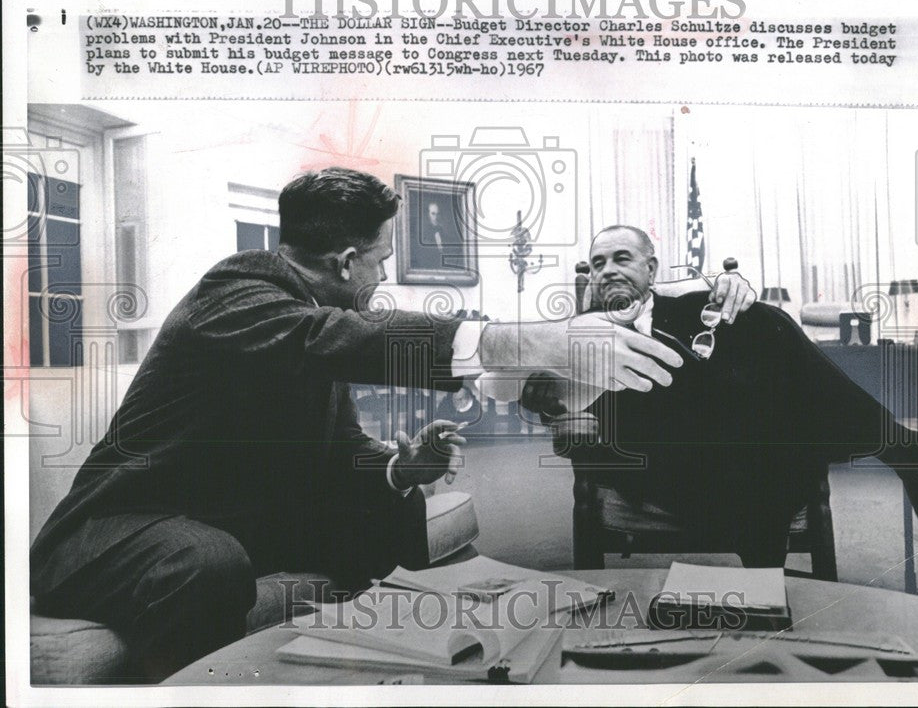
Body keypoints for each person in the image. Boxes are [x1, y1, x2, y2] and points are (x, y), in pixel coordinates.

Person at [29, 169, 683, 681]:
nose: (383, 276)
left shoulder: (304, 320)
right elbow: (331, 337)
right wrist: (535, 343)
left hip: (218, 521)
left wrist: (404, 467)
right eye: (380, 260)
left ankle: (396, 661)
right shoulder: (234, 293)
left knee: (380, 511)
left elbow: (340, 444)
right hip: (110, 537)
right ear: (346, 262)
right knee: (207, 560)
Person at [520, 225, 918, 566]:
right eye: (598, 264)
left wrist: (736, 292)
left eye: (622, 258)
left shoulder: (691, 306)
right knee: (775, 433)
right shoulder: (572, 335)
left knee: (765, 324)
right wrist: (545, 400)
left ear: (651, 269)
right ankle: (913, 455)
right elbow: (540, 392)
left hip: (727, 442)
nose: (608, 271)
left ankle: (761, 591)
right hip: (648, 454)